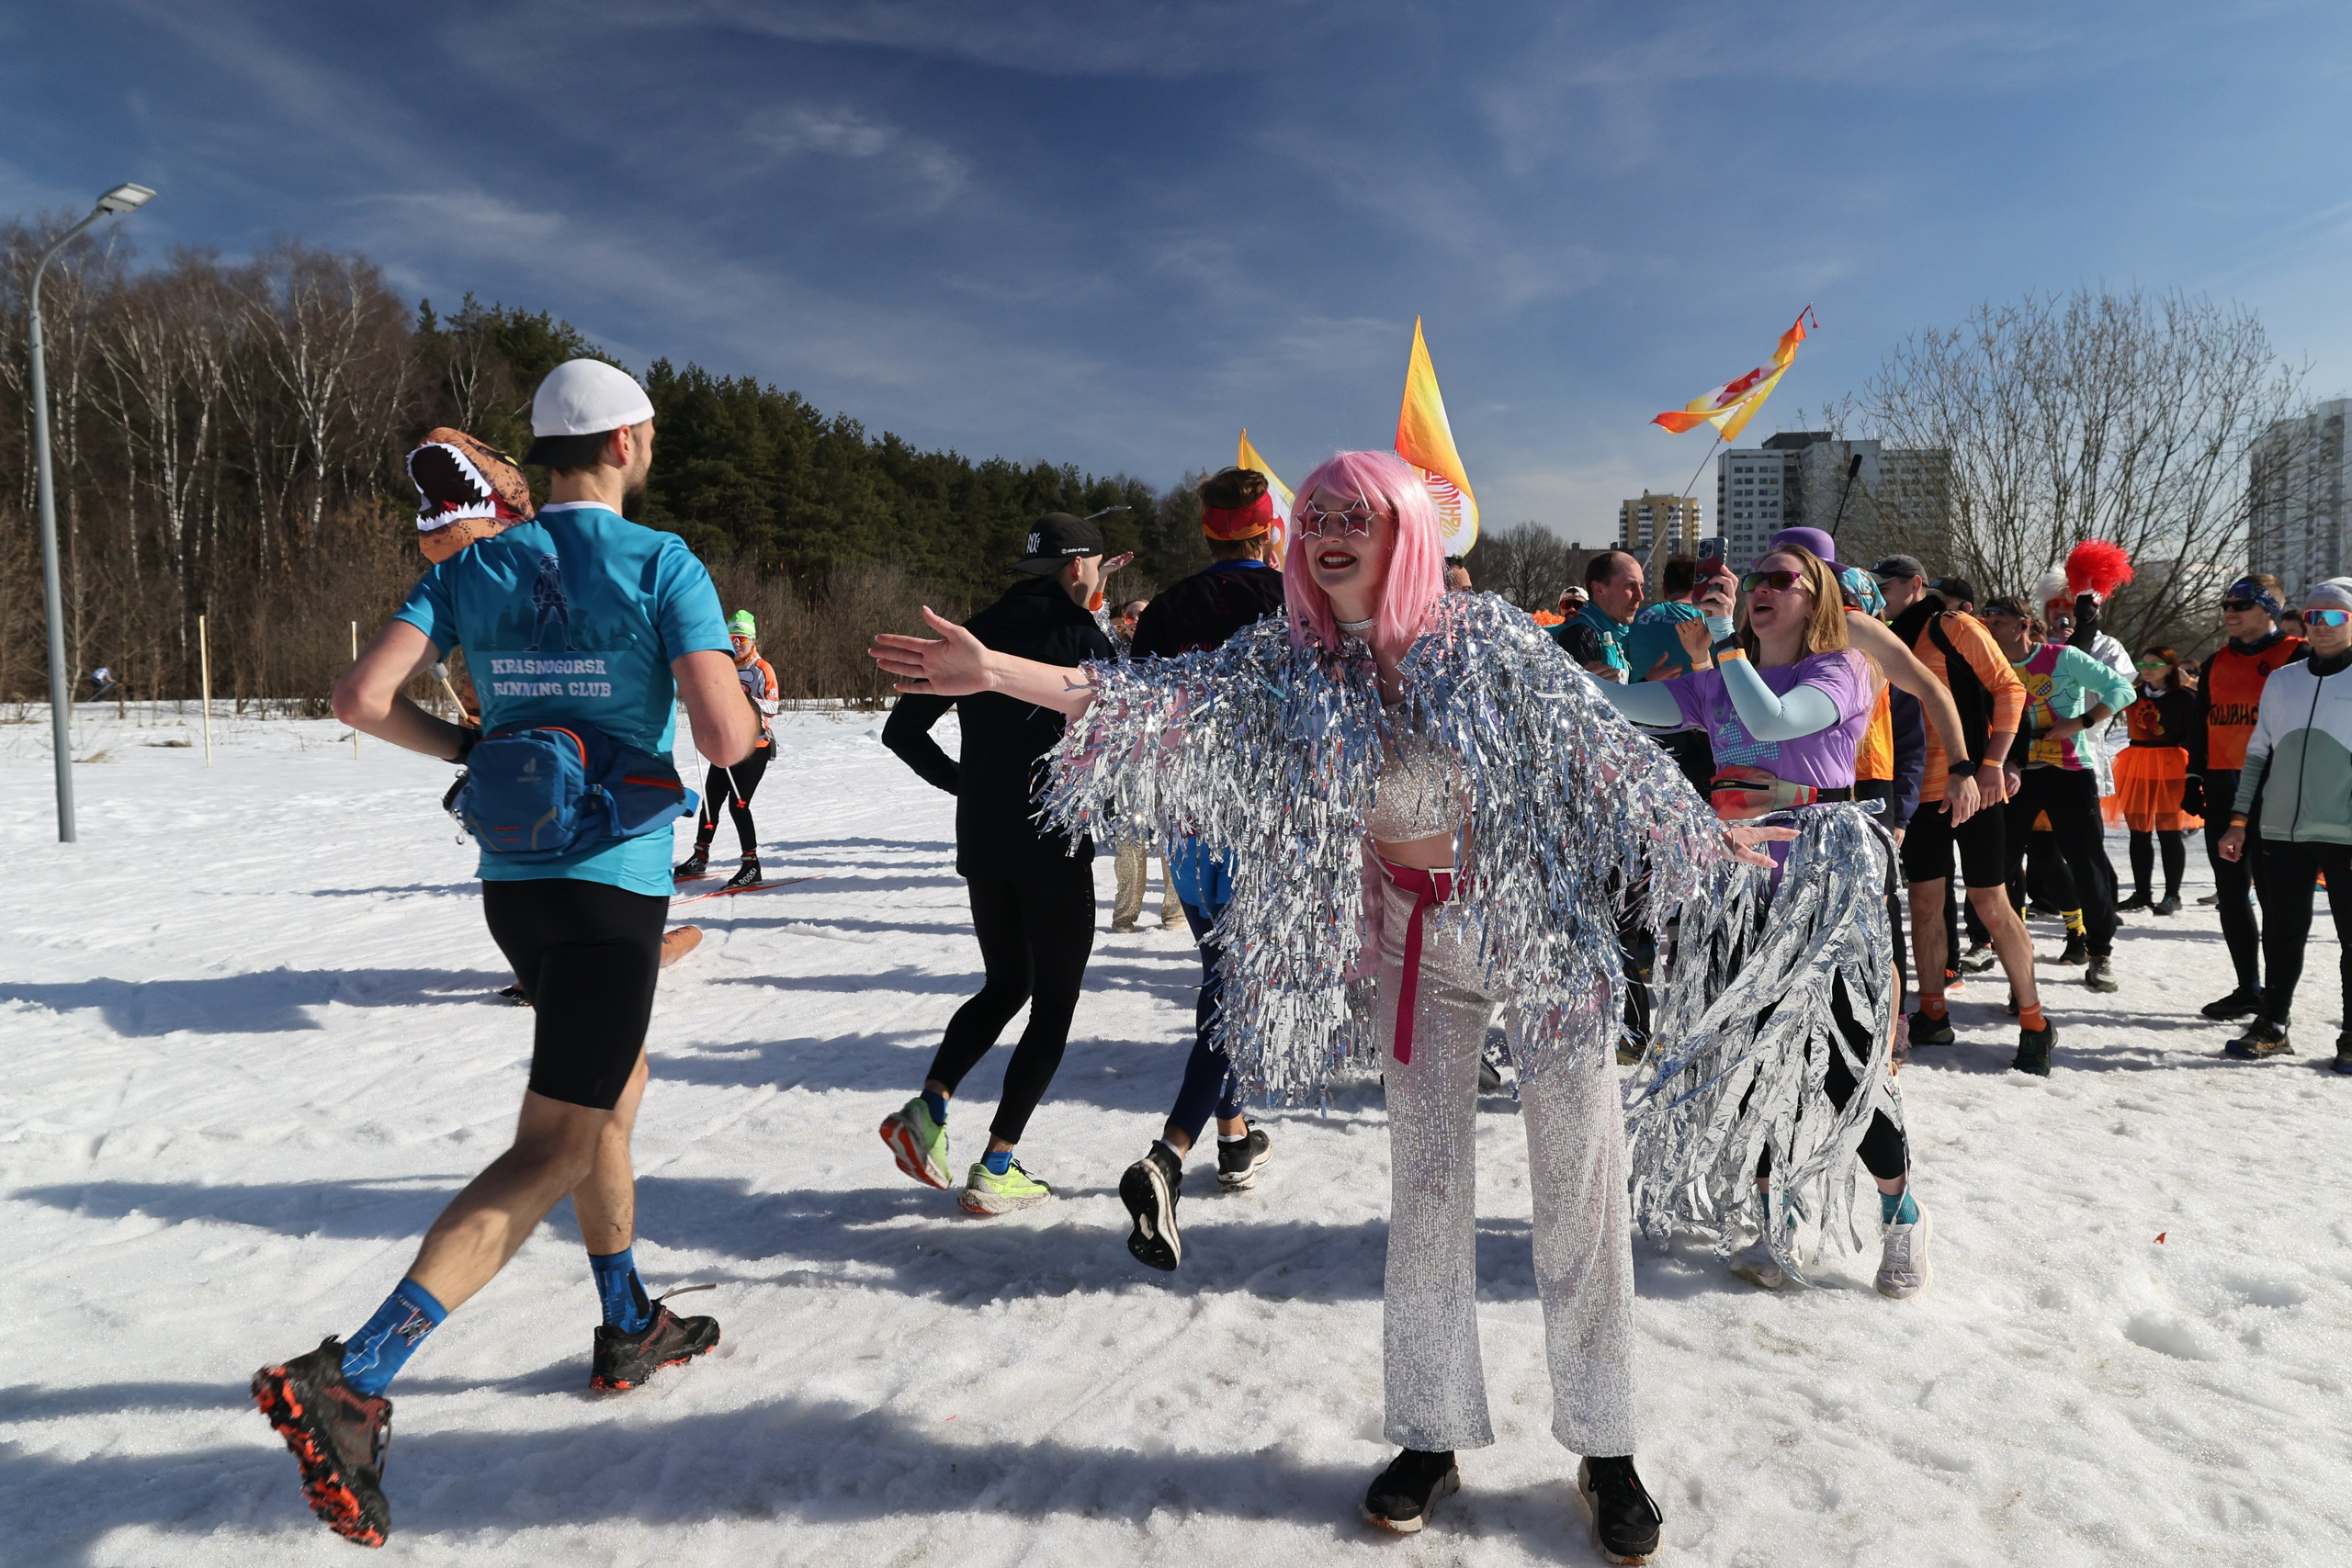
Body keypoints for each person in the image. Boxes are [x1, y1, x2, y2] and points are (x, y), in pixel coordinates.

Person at [872, 449, 1790, 1561]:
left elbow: (1601, 748)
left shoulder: (1488, 635)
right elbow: (1148, 704)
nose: (1326, 534)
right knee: (1429, 1194)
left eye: (1354, 515)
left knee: (1579, 1192)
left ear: (1405, 529)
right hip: (1413, 948)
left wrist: (1704, 834)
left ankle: (1605, 1446)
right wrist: (998, 673)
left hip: (1538, 932)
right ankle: (1431, 1433)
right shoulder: (1288, 660)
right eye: (1313, 520)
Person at [252, 364, 758, 1547]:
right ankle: (355, 1375)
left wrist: (473, 749)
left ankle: (627, 1321)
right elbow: (726, 735)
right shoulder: (662, 562)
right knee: (555, 1141)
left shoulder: (472, 566)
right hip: (614, 885)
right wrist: (722, 706)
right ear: (629, 442)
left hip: (515, 886)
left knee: (611, 1090)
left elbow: (360, 696)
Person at [1589, 546, 1928, 1299]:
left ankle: (1899, 1213)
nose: (1761, 589)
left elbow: (1774, 718)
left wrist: (1724, 649)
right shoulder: (1717, 682)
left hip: (1823, 887)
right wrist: (1531, 660)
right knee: (1756, 1060)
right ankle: (1779, 1225)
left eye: (1784, 580)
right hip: (1737, 888)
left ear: (1818, 601)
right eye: (1758, 579)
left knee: (1845, 1064)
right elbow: (1612, 702)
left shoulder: (1839, 671)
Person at [877, 513, 1116, 1214]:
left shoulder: (976, 633)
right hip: (1053, 841)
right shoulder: (1082, 637)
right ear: (1078, 569)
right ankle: (998, 1165)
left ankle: (928, 1111)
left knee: (1007, 981)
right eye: (1097, 570)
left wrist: (968, 783)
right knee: (1055, 1001)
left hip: (984, 840)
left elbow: (902, 730)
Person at [1114, 466, 1287, 1269]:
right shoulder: (1293, 601)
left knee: (1226, 975)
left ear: (1210, 532)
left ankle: (1235, 1131)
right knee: (1234, 988)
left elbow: (1132, 711)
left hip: (1188, 823)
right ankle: (1169, 1156)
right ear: (1267, 530)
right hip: (1267, 822)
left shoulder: (1169, 606)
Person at [1873, 558, 2053, 1072]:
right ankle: (1933, 1010)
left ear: (1914, 585)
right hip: (1917, 793)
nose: (1878, 594)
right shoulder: (1881, 637)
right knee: (1925, 903)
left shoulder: (1951, 625)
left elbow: (2010, 689)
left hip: (1972, 785)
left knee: (1991, 903)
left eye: (1885, 586)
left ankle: (2035, 1019)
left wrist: (1994, 763)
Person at [2216, 579, 2352, 1070]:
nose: (2321, 625)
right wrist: (2238, 822)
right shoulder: (2284, 680)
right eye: (2313, 615)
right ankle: (2273, 1025)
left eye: (2334, 616)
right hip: (2279, 833)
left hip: (2345, 834)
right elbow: (2257, 757)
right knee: (2282, 932)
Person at [1980, 599, 2135, 997]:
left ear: (2023, 626)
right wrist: (2006, 761)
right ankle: (2009, 954)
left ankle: (2100, 952)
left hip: (2069, 771)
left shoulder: (2063, 657)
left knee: (2087, 864)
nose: (1991, 627)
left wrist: (2081, 722)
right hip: (2016, 774)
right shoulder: (1987, 665)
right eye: (1988, 620)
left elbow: (2122, 688)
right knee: (2000, 865)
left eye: (2000, 621)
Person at [2188, 575, 2307, 1021]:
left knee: (2277, 902)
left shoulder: (2298, 654)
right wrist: (2193, 774)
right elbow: (2201, 725)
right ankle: (2248, 988)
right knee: (2232, 894)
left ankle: (2277, 1003)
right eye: (2226, 604)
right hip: (2223, 791)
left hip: (2280, 792)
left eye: (2240, 604)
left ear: (2269, 609)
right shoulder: (2218, 660)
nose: (2229, 611)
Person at [673, 610, 779, 890]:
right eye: (732, 638)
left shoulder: (761, 669)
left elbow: (773, 706)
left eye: (742, 638)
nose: (736, 644)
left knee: (738, 805)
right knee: (711, 802)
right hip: (726, 743)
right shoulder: (726, 667)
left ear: (752, 640)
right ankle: (700, 855)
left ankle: (751, 865)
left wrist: (743, 699)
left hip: (755, 747)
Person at [2116, 647, 2199, 914]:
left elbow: (2196, 733)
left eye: (2156, 663)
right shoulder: (2133, 694)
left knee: (2169, 832)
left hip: (2171, 764)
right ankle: (2141, 893)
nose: (2148, 668)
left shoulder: (2184, 697)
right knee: (2138, 833)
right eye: (2144, 663)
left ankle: (2172, 895)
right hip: (2137, 762)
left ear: (2171, 667)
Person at [1555, 549, 1644, 680]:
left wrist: (1648, 681)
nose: (1640, 596)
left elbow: (1617, 693)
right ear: (1598, 589)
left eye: (1641, 586)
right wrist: (1580, 683)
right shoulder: (1580, 635)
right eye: (1630, 586)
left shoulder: (1610, 632)